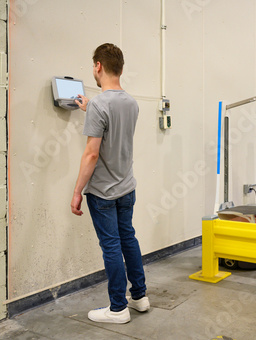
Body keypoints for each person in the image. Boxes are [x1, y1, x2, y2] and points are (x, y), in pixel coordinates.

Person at [71, 43, 149, 324]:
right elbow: (112, 121)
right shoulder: (131, 102)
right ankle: (139, 297)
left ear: (98, 66)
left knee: (111, 246)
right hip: (127, 188)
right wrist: (89, 108)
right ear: (121, 68)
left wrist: (77, 191)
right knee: (128, 238)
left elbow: (92, 153)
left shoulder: (100, 105)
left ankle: (118, 308)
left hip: (103, 193)